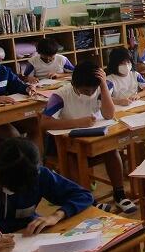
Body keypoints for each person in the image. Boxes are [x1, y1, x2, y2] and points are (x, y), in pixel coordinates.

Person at [41, 61, 136, 214]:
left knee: (111, 150)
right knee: (73, 160)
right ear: (74, 84)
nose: (91, 93)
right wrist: (77, 123)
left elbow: (109, 115)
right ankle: (88, 200)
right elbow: (44, 122)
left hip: (93, 138)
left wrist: (103, 86)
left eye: (94, 89)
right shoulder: (60, 95)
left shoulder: (99, 88)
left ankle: (119, 194)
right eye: (86, 90)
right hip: (67, 144)